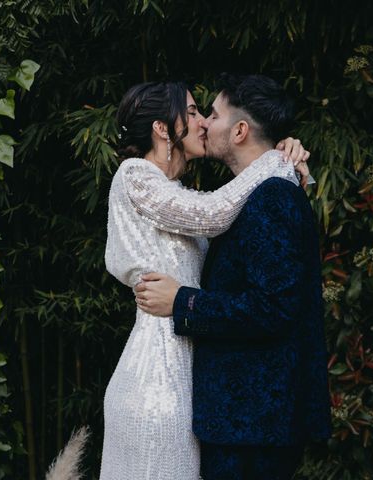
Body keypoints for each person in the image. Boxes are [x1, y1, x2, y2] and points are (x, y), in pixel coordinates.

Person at [100, 80, 310, 480]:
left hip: (192, 373)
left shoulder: (178, 192)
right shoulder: (135, 175)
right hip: (157, 375)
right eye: (194, 111)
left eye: (207, 113)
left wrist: (282, 150)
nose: (202, 122)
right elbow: (212, 213)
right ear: (163, 128)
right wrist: (274, 161)